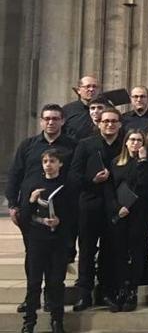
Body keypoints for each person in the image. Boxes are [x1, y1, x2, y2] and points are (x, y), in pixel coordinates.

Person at [6, 104, 77, 313]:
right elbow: (15, 174)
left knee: (59, 258)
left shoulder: (72, 146)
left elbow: (75, 177)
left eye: (55, 118)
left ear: (62, 121)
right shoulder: (28, 145)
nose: (51, 122)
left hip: (61, 213)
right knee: (33, 256)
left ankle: (52, 298)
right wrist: (13, 204)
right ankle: (32, 298)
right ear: (41, 121)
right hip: (31, 212)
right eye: (47, 118)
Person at [68, 107, 124, 311]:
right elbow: (73, 176)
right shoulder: (85, 145)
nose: (109, 124)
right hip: (90, 204)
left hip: (114, 207)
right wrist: (92, 180)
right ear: (98, 123)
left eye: (113, 121)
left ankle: (106, 293)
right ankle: (84, 294)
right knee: (87, 250)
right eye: (105, 121)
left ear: (119, 124)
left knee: (111, 250)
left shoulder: (124, 146)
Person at [19, 149, 73, 333]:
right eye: (45, 161)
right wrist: (32, 201)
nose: (48, 164)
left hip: (57, 241)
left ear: (60, 164)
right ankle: (29, 322)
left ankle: (57, 321)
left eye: (52, 161)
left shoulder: (66, 186)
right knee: (34, 283)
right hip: (37, 239)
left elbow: (74, 216)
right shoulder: (33, 183)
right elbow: (24, 216)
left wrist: (60, 221)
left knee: (56, 282)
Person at [105, 129, 148, 312]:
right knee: (119, 252)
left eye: (139, 140)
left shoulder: (147, 163)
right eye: (132, 140)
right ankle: (121, 289)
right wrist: (118, 208)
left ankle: (132, 291)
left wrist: (142, 161)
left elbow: (144, 184)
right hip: (120, 213)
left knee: (136, 252)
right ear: (126, 142)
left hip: (139, 213)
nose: (135, 143)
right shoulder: (116, 162)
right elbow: (109, 189)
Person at [62, 75, 101, 141]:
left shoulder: (106, 109)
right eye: (87, 86)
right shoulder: (67, 109)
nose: (91, 89)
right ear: (78, 90)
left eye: (94, 86)